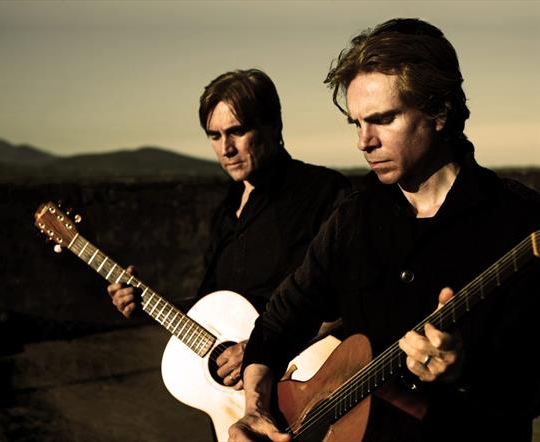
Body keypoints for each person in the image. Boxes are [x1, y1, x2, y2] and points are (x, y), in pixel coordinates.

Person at [229, 18, 540, 442]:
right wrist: (255, 408)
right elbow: (278, 324)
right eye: (357, 123)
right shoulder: (353, 217)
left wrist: (467, 372)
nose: (364, 141)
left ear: (439, 112)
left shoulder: (519, 220)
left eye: (383, 119)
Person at [107, 69, 349, 389]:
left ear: (273, 126)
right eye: (214, 135)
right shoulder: (226, 211)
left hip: (301, 386)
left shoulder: (324, 192)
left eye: (237, 131)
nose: (226, 149)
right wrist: (146, 303)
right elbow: (211, 312)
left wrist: (259, 348)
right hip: (232, 404)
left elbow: (352, 298)